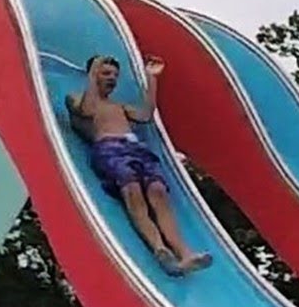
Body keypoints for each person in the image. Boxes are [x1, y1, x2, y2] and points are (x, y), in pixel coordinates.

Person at [66, 54, 212, 276]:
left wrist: (152, 79)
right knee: (132, 189)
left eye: (115, 75)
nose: (112, 78)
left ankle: (185, 252)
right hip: (109, 148)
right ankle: (160, 249)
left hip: (135, 149)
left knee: (158, 190)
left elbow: (145, 115)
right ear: (94, 74)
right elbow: (86, 111)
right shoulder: (77, 98)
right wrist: (93, 74)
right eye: (106, 73)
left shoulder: (120, 107)